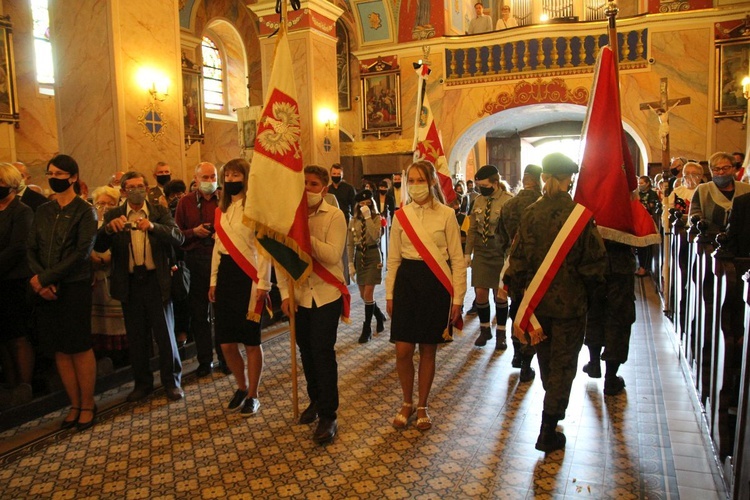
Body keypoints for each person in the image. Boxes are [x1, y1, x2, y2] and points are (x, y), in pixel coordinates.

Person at [506, 153, 606, 452]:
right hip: (569, 307)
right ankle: (548, 429)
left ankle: (554, 410)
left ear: (544, 177)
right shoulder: (581, 217)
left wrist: (520, 299)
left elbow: (517, 261)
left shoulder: (529, 214)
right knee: (564, 365)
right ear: (568, 180)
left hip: (536, 306)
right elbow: (595, 264)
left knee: (547, 362)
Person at [386, 160, 466, 431]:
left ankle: (421, 406)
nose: (416, 186)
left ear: (432, 182)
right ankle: (405, 401)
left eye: (421, 180)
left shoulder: (446, 214)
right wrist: (389, 294)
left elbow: (457, 259)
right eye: (412, 181)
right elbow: (394, 259)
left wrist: (458, 300)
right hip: (407, 283)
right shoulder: (401, 215)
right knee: (403, 350)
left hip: (435, 284)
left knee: (428, 349)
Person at [94, 171, 185, 403]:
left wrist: (153, 227)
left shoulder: (159, 211)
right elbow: (99, 245)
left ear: (146, 188)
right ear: (123, 191)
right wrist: (107, 229)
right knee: (137, 338)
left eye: (140, 186)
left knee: (165, 335)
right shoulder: (115, 214)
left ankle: (172, 382)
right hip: (130, 282)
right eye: (131, 187)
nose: (136, 190)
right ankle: (142, 383)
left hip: (157, 280)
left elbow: (177, 237)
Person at [27, 155, 98, 430]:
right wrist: (40, 282)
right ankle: (75, 403)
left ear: (72, 177)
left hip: (74, 286)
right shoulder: (43, 210)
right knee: (60, 348)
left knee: (78, 346)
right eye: (50, 173)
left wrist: (47, 277)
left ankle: (88, 404)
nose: (53, 177)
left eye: (58, 173)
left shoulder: (85, 211)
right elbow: (30, 247)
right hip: (46, 287)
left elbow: (82, 252)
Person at [278, 165, 347, 445]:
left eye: (314, 184)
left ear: (325, 188)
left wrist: (305, 235)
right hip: (300, 295)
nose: (308, 189)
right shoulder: (289, 218)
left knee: (321, 351)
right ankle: (315, 400)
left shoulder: (335, 216)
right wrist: (284, 293)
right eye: (304, 183)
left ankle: (329, 413)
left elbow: (332, 255)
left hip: (326, 293)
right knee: (305, 351)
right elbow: (281, 259)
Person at [208, 159, 272, 415]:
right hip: (225, 275)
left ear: (246, 178)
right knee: (225, 342)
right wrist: (213, 280)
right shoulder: (221, 210)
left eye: (237, 175)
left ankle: (254, 394)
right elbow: (217, 248)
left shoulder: (255, 208)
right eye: (228, 175)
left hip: (249, 278)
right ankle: (241, 385)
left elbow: (264, 250)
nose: (232, 179)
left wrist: (264, 284)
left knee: (250, 340)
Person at [175, 162, 226, 377]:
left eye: (212, 176)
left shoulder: (224, 199)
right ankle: (205, 360)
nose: (209, 181)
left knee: (222, 313)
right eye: (205, 177)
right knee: (199, 314)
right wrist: (194, 232)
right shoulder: (185, 203)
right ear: (196, 180)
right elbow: (176, 234)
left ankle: (226, 358)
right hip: (195, 261)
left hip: (221, 261)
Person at [497, 164, 542, 381]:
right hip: (539, 269)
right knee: (533, 313)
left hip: (514, 267)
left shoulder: (509, 205)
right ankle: (527, 363)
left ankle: (516, 353)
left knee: (516, 310)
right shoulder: (543, 205)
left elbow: (501, 239)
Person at [464, 165, 513, 350]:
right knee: (480, 293)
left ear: (495, 182)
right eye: (479, 185)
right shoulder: (478, 201)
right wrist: (467, 253)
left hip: (500, 251)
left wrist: (510, 258)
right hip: (482, 251)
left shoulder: (508, 201)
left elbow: (512, 232)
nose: (481, 189)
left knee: (500, 296)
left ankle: (501, 333)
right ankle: (485, 330)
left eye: (484, 185)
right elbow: (472, 229)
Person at [0, 163, 35, 406]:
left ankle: (25, 386)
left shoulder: (21, 211)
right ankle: (10, 385)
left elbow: (19, 247)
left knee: (17, 334)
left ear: (11, 184)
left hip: (14, 280)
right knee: (2, 336)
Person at [90, 186, 128, 366]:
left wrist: (107, 259)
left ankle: (121, 359)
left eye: (110, 204)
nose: (105, 207)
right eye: (101, 203)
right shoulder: (90, 224)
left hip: (114, 277)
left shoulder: (119, 222)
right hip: (96, 281)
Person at [347, 189, 387, 343]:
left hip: (372, 256)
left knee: (369, 294)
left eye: (367, 203)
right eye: (361, 204)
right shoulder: (353, 220)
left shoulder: (377, 218)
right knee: (364, 295)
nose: (364, 206)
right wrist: (350, 263)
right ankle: (378, 315)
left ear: (372, 204)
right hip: (359, 257)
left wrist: (368, 217)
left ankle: (367, 328)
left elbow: (376, 236)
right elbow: (350, 243)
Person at [689, 152, 750, 236]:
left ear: (733, 169)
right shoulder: (702, 190)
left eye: (725, 168)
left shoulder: (746, 189)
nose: (721, 172)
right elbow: (694, 216)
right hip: (709, 240)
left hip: (741, 240)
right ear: (711, 171)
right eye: (716, 169)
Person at [635, 175, 660, 277]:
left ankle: (645, 267)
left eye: (642, 183)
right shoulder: (637, 193)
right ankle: (641, 265)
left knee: (646, 245)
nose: (640, 185)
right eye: (639, 183)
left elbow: (652, 207)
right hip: (638, 220)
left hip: (648, 220)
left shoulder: (652, 194)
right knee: (639, 245)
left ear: (648, 183)